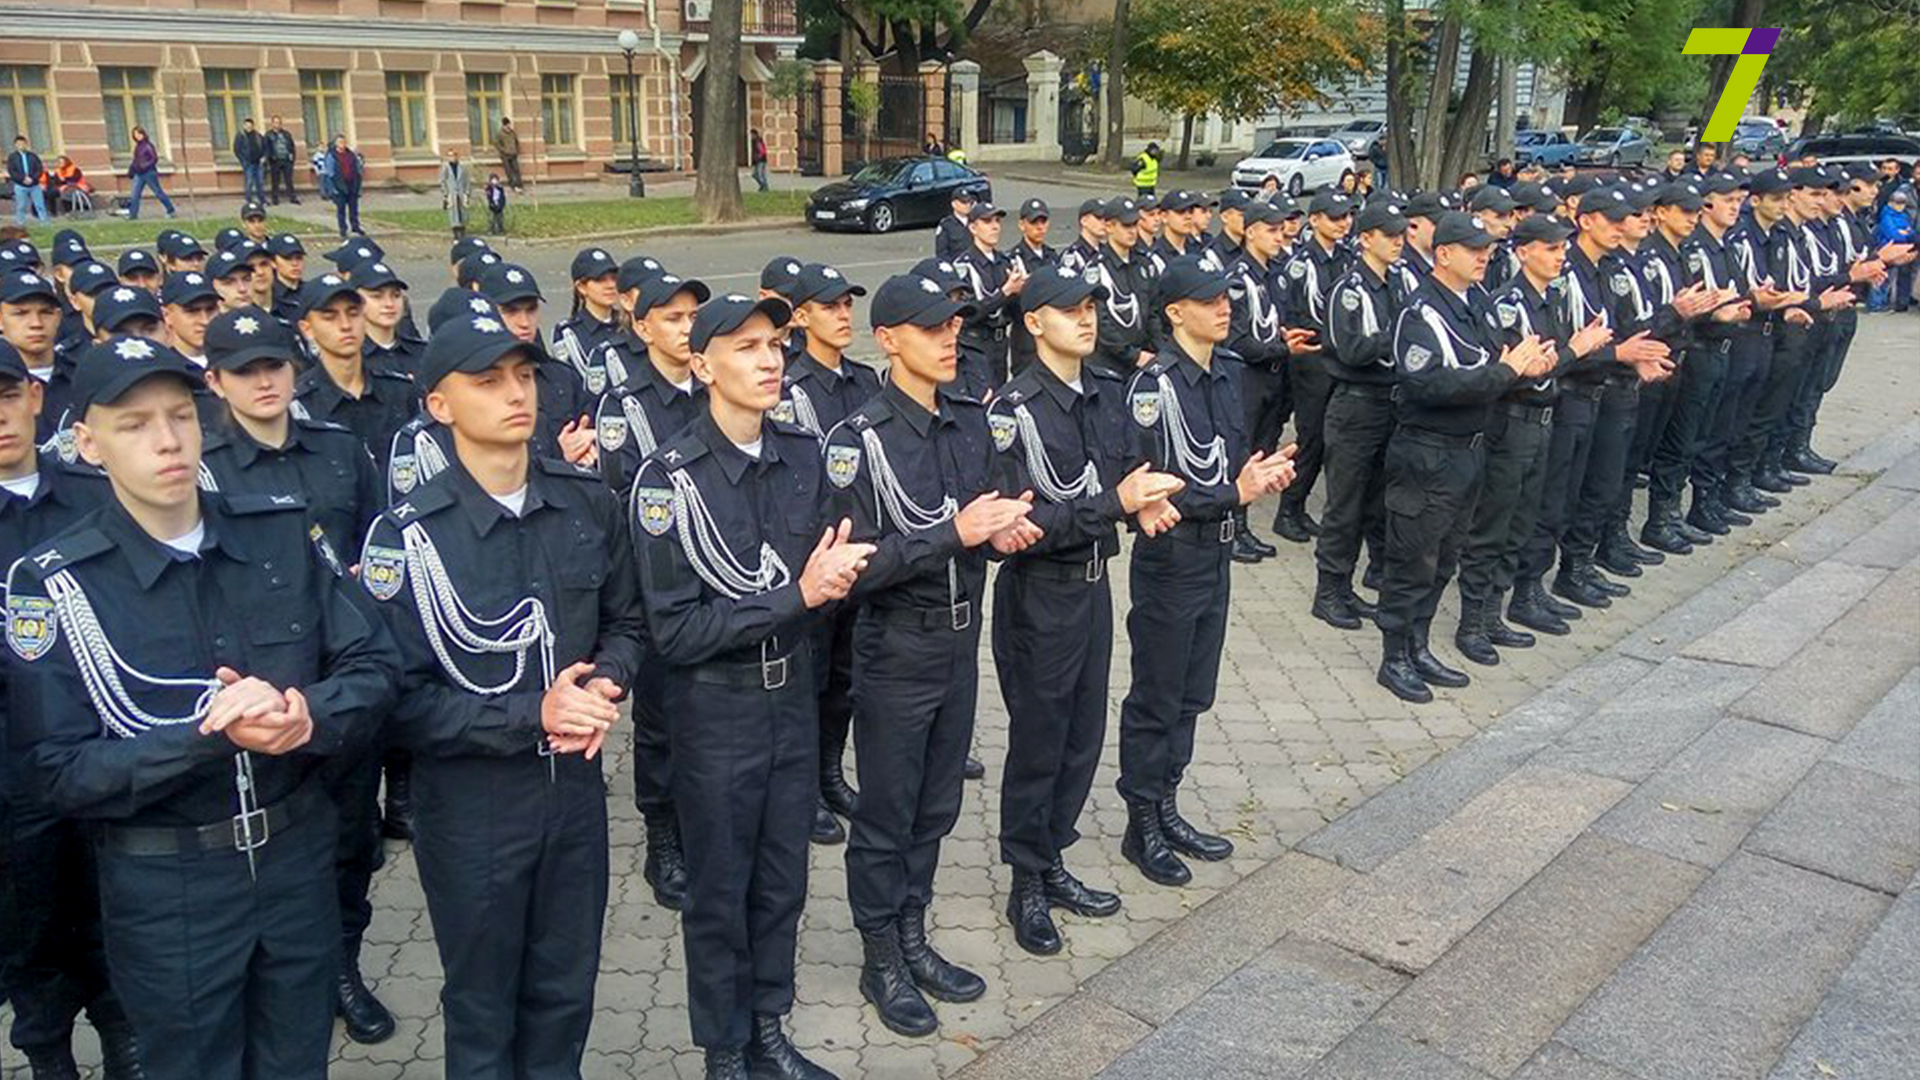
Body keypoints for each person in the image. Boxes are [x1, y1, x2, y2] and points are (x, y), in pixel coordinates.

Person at [4, 331, 396, 1080]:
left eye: (180, 416)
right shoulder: (58, 584)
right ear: (86, 443)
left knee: (297, 1063)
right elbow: (60, 772)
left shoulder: (278, 529)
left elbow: (373, 663)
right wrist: (211, 736)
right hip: (167, 885)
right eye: (134, 424)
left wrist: (307, 714)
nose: (166, 440)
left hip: (294, 858)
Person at [358, 312, 643, 1079]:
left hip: (574, 796)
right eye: (487, 382)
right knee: (483, 1005)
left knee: (565, 991)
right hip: (474, 807)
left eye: (523, 376)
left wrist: (608, 680)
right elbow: (397, 701)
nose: (517, 394)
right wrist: (534, 713)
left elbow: (627, 621)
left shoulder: (585, 500)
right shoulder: (408, 536)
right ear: (439, 405)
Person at [631, 292, 866, 1080]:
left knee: (781, 883)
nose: (769, 361)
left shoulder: (801, 455)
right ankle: (724, 1049)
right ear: (701, 366)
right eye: (744, 347)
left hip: (790, 699)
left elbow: (839, 568)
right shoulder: (668, 483)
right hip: (716, 710)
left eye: (774, 344)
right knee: (718, 892)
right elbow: (678, 632)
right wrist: (798, 597)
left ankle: (768, 1028)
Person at [823, 273, 1040, 1039]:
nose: (951, 337)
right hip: (894, 648)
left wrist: (1003, 530)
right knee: (887, 810)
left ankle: (913, 932)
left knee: (937, 803)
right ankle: (880, 950)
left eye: (953, 324)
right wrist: (958, 535)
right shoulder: (858, 441)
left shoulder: (965, 420)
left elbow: (984, 516)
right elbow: (854, 572)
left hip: (957, 639)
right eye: (931, 327)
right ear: (887, 340)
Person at [195, 306, 394, 1045]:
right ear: (215, 381)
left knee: (351, 837)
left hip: (340, 680)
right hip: (254, 688)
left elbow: (380, 552)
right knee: (269, 850)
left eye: (275, 365)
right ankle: (271, 979)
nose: (264, 381)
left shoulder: (339, 450)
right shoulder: (204, 465)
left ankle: (343, 964)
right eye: (245, 372)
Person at [989, 266, 1184, 955]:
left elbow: (1127, 473)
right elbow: (1027, 522)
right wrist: (1117, 505)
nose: (1086, 319)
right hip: (1040, 594)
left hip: (1094, 583)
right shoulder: (1013, 410)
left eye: (1091, 307)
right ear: (1034, 322)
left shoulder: (1103, 390)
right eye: (1068, 310)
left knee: (1081, 738)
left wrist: (1148, 502)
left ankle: (1053, 858)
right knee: (1040, 741)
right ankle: (1026, 882)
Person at [0, 314, 146, 1080]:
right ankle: (47, 1052)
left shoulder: (97, 498)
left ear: (33, 398)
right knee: (28, 928)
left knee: (109, 910)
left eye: (5, 394)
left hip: (101, 749)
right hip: (8, 774)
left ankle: (123, 1037)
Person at [1117, 257, 1295, 882]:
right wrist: (1234, 494)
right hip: (1171, 559)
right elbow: (1149, 491)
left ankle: (1168, 803)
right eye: (1209, 300)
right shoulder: (1153, 388)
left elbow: (1229, 465)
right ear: (1174, 312)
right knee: (1157, 695)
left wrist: (1257, 478)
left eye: (1226, 297)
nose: (1225, 308)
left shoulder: (1229, 371)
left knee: (1194, 693)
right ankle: (1141, 823)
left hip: (1215, 553)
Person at [1373, 214, 1556, 703]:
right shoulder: (1420, 313)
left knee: (1445, 558)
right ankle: (1394, 656)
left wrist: (1522, 369)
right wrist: (1505, 372)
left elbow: (1492, 361)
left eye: (1488, 249)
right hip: (1427, 453)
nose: (1484, 257)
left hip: (1470, 450)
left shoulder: (1475, 302)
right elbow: (1426, 384)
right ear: (1443, 254)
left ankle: (1419, 644)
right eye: (1473, 249)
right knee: (1413, 557)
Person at [592, 269, 711, 909]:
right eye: (671, 317)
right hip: (658, 582)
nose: (686, 328)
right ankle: (662, 834)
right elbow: (622, 497)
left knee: (707, 715)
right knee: (662, 718)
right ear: (642, 328)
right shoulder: (627, 404)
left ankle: (701, 821)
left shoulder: (713, 388)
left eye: (693, 316)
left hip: (719, 583)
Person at [1459, 214, 1613, 652]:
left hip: (1545, 422)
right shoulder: (1510, 304)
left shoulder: (1553, 300)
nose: (1560, 255)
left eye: (1563, 248)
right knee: (1493, 525)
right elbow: (1518, 372)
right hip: (1512, 424)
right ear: (1523, 251)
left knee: (1523, 522)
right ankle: (1473, 621)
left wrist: (1572, 352)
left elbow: (1558, 361)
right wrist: (1573, 350)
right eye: (1550, 248)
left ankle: (1498, 609)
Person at [772, 264, 880, 846]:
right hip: (810, 555)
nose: (842, 316)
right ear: (801, 317)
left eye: (847, 305)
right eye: (829, 306)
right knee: (808, 679)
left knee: (845, 676)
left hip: (862, 554)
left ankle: (832, 773)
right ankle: (806, 789)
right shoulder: (787, 390)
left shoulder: (865, 382)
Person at [1313, 202, 1410, 628]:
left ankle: (1350, 585)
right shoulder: (1349, 288)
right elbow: (1348, 348)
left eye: (1401, 236)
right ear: (1366, 238)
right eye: (1389, 236)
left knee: (1373, 504)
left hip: (1389, 403)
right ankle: (1329, 590)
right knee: (1344, 505)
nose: (1398, 243)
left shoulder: (1396, 284)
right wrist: (1398, 338)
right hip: (1355, 405)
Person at [1223, 200, 1313, 563]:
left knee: (1261, 449)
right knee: (1240, 455)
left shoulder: (1275, 273)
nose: (1281, 236)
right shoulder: (1237, 278)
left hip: (1274, 377)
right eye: (1272, 230)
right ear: (1251, 231)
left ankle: (1244, 528)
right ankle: (1231, 529)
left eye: (1283, 229)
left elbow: (1281, 319)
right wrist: (1281, 347)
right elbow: (1237, 340)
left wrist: (1288, 339)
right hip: (1248, 378)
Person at [1271, 189, 1355, 545]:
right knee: (1311, 438)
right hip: (1311, 358)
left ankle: (1299, 507)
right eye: (1335, 217)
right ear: (1315, 220)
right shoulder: (1302, 263)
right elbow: (1293, 312)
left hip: (1338, 356)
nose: (1343, 223)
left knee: (1327, 440)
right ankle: (1287, 509)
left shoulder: (1346, 257)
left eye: (1347, 217)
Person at [953, 202, 1028, 395]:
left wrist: (1022, 292)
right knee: (981, 398)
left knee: (1000, 397)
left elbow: (1014, 311)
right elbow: (967, 314)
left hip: (1000, 343)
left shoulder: (1005, 262)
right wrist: (1005, 291)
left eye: (997, 221)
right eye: (987, 221)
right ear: (973, 228)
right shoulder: (964, 266)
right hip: (976, 344)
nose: (995, 226)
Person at [1085, 197, 1157, 377]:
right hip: (1109, 363)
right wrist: (1132, 355)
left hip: (1144, 358)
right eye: (1126, 226)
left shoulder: (1143, 263)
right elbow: (1100, 321)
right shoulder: (1097, 269)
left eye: (1134, 224)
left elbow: (1153, 310)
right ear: (1109, 227)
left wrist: (1160, 350)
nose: (1133, 231)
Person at [124, 127, 175, 221]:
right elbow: (136, 160)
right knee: (135, 194)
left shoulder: (148, 145)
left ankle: (170, 210)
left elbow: (154, 158)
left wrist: (144, 166)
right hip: (139, 174)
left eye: (139, 134)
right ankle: (133, 215)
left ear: (143, 134)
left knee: (158, 192)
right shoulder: (137, 147)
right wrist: (131, 170)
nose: (137, 137)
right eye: (135, 135)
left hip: (149, 173)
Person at [326, 136, 365, 238]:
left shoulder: (351, 155)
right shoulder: (332, 156)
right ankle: (343, 229)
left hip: (352, 184)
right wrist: (333, 189)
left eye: (343, 142)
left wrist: (358, 183)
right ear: (336, 144)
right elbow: (330, 173)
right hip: (339, 185)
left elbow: (357, 169)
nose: (342, 144)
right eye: (340, 142)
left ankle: (355, 226)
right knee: (341, 210)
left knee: (354, 209)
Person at [8, 136, 48, 224]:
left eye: (23, 143)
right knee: (21, 206)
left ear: (26, 144)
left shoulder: (33, 156)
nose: (21, 145)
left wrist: (33, 179)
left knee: (40, 205)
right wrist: (23, 178)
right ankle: (21, 223)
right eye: (19, 144)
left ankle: (44, 223)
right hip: (20, 185)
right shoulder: (12, 157)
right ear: (15, 145)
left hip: (34, 185)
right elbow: (12, 171)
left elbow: (39, 168)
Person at [934, 189, 977, 261]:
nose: (967, 205)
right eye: (963, 202)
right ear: (954, 204)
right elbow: (942, 254)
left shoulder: (976, 221)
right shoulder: (946, 225)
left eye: (969, 202)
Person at [232, 117, 268, 207]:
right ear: (244, 126)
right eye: (247, 125)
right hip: (248, 164)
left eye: (250, 126)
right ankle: (249, 200)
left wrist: (264, 157)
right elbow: (237, 150)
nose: (249, 127)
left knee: (260, 182)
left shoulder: (258, 136)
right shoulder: (240, 136)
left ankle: (262, 200)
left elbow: (265, 148)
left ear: (253, 126)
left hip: (258, 163)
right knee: (249, 182)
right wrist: (243, 161)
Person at [439, 148, 471, 241]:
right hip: (451, 194)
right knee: (453, 213)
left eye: (454, 155)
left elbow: (467, 181)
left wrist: (467, 192)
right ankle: (456, 234)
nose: (452, 158)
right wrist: (445, 193)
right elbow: (442, 181)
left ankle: (463, 232)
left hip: (461, 193)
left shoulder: (462, 168)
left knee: (463, 213)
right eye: (450, 156)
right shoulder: (445, 168)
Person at [265, 116, 299, 205]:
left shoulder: (286, 134)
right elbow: (266, 148)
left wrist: (292, 158)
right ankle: (275, 199)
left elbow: (291, 146)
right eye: (275, 122)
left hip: (286, 160)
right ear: (272, 123)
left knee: (289, 180)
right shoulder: (268, 135)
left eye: (279, 122)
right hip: (275, 161)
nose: (277, 124)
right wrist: (270, 158)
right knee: (275, 181)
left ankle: (292, 197)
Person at [494, 118, 523, 193]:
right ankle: (513, 186)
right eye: (507, 125)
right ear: (504, 126)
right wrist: (504, 150)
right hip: (505, 156)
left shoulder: (512, 133)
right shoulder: (500, 134)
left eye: (509, 125)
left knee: (516, 170)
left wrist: (517, 150)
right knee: (509, 171)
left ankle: (519, 185)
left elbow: (516, 141)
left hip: (513, 154)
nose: (509, 126)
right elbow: (497, 144)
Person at [750, 127, 771, 193]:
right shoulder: (754, 141)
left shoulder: (757, 141)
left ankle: (765, 187)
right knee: (755, 175)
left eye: (751, 135)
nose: (751, 136)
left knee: (760, 174)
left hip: (761, 160)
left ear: (754, 134)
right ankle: (762, 186)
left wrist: (759, 157)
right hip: (757, 161)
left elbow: (761, 151)